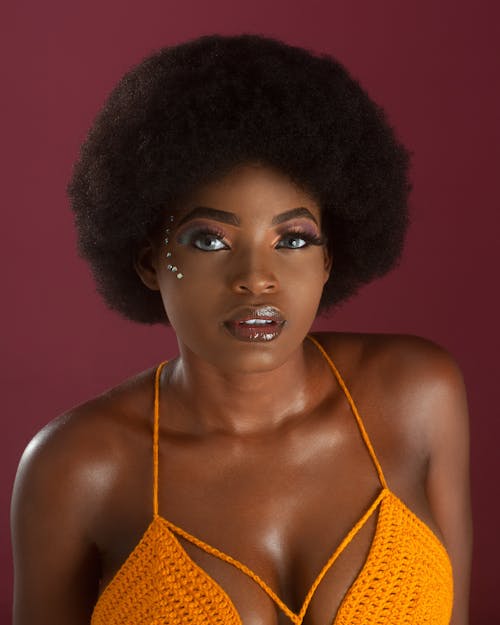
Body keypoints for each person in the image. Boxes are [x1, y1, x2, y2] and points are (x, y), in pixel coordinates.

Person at [10, 33, 472, 625]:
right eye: (210, 239)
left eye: (294, 239)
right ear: (150, 261)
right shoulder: (77, 468)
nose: (257, 279)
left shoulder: (419, 395)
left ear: (330, 259)